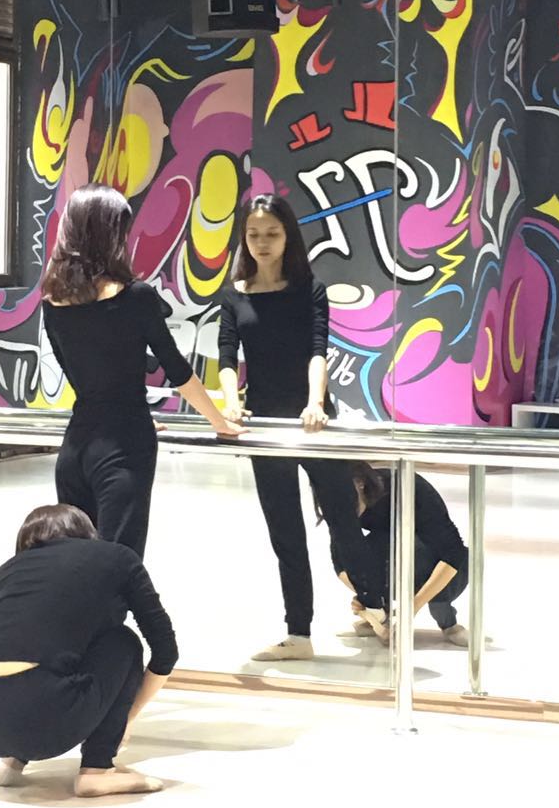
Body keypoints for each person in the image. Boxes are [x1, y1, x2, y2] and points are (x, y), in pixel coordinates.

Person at [218, 193, 386, 661]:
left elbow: (317, 349)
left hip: (312, 423)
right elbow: (227, 356)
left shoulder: (309, 289)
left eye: (272, 233)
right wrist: (230, 404)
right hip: (265, 425)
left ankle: (378, 606)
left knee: (343, 520)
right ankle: (298, 633)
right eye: (253, 234)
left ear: (288, 235)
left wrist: (315, 403)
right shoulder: (234, 295)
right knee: (285, 532)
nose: (262, 243)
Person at [42, 183, 242, 556]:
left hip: (76, 447)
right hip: (124, 444)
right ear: (111, 234)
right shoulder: (136, 297)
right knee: (120, 561)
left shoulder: (53, 301)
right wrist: (219, 422)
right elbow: (176, 368)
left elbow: (79, 375)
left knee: (74, 562)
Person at [0, 503, 177, 797]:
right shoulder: (117, 557)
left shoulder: (9, 569)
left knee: (32, 655)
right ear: (86, 533)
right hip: (46, 717)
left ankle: (10, 764)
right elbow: (166, 650)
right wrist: (128, 717)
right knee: (123, 642)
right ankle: (97, 770)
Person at [337, 466, 469, 647]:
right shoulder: (335, 502)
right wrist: (367, 597)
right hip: (392, 547)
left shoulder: (409, 489)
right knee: (359, 551)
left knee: (419, 551)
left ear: (360, 484)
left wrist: (410, 610)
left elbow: (453, 553)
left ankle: (447, 621)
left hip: (432, 555)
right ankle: (383, 614)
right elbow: (340, 558)